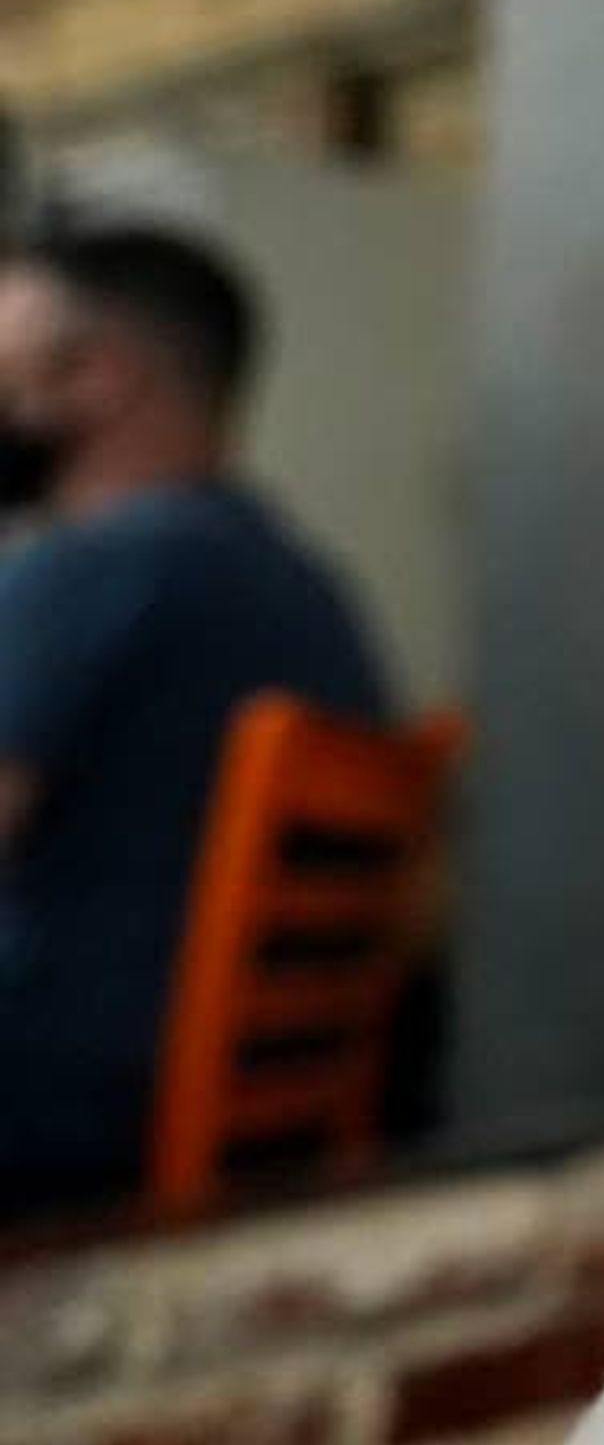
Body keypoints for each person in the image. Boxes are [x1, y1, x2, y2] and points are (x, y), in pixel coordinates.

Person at [0, 223, 390, 1209]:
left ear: (95, 374)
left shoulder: (95, 564)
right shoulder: (308, 586)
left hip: (59, 1115)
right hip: (238, 1124)